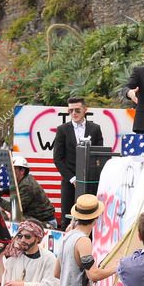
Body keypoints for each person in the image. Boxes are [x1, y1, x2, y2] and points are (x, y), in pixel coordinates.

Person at [53, 97, 104, 228]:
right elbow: (58, 158)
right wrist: (72, 178)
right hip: (70, 182)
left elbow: (99, 155)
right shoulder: (62, 129)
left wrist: (92, 176)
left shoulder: (95, 128)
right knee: (67, 217)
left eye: (77, 110)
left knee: (90, 216)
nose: (74, 113)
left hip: (90, 182)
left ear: (85, 110)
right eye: (70, 111)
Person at [0, 157, 57, 227]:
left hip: (46, 223)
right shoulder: (23, 180)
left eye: (13, 169)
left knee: (16, 218)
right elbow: (14, 190)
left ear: (22, 171)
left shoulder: (26, 185)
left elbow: (15, 209)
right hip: (37, 219)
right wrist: (0, 192)